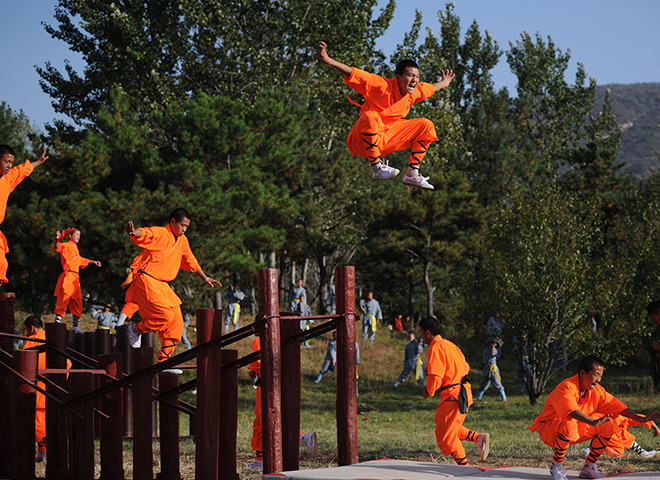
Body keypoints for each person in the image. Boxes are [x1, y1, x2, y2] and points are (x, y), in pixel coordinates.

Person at [315, 41, 455, 191]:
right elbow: (354, 73)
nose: (414, 79)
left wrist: (444, 82)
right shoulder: (381, 86)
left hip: (385, 140)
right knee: (371, 116)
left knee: (426, 125)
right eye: (410, 75)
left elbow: (431, 88)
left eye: (417, 76)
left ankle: (412, 173)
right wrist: (328, 60)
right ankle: (376, 167)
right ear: (398, 77)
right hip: (362, 140)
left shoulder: (413, 93)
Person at [529, 355, 659, 480]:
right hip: (549, 430)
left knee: (606, 424)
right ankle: (556, 467)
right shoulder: (566, 387)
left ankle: (588, 468)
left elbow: (616, 406)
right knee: (569, 423)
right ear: (582, 373)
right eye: (596, 375)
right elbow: (570, 411)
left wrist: (639, 418)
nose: (598, 380)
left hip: (574, 429)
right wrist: (592, 421)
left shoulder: (596, 391)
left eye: (600, 376)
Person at [124, 208, 221, 362]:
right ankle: (135, 329)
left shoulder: (183, 240)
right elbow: (147, 233)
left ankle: (164, 361)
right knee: (164, 316)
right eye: (182, 225)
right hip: (147, 279)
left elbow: (190, 259)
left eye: (186, 227)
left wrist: (205, 277)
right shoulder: (162, 233)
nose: (184, 229)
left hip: (163, 285)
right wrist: (133, 232)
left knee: (177, 322)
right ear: (172, 222)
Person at [420, 316, 490, 465]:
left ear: (427, 333)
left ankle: (464, 468)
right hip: (463, 392)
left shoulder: (436, 347)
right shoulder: (451, 345)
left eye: (421, 333)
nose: (421, 337)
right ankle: (478, 438)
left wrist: (428, 390)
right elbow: (466, 367)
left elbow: (435, 376)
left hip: (453, 395)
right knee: (448, 427)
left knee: (445, 435)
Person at [248, 335, 317, 470]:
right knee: (274, 421)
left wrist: (252, 372)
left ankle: (261, 460)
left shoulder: (259, 340)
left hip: (265, 385)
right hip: (278, 383)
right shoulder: (278, 339)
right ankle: (304, 438)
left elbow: (258, 364)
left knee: (262, 423)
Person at [0, 145, 48, 285]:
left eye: (11, 163)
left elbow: (22, 170)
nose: (9, 166)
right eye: (6, 162)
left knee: (2, 263)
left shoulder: (7, 179)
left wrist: (38, 162)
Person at [52, 228, 102, 333]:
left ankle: (75, 325)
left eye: (79, 235)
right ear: (70, 236)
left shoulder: (75, 248)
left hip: (75, 277)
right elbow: (57, 247)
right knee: (63, 299)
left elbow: (80, 259)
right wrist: (57, 238)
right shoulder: (66, 245)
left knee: (78, 301)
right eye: (76, 234)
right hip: (68, 275)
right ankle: (56, 323)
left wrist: (92, 262)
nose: (78, 237)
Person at [23, 315, 47, 463]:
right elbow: (68, 362)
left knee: (37, 419)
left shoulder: (32, 341)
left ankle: (43, 451)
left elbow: (24, 363)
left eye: (26, 330)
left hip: (37, 385)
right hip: (54, 385)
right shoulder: (52, 337)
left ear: (31, 327)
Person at [581, 417, 660, 460]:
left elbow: (645, 419)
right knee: (618, 452)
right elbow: (644, 419)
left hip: (613, 431)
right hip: (607, 432)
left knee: (626, 437)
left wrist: (656, 428)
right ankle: (590, 451)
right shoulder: (622, 418)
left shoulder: (627, 418)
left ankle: (644, 454)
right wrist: (656, 429)